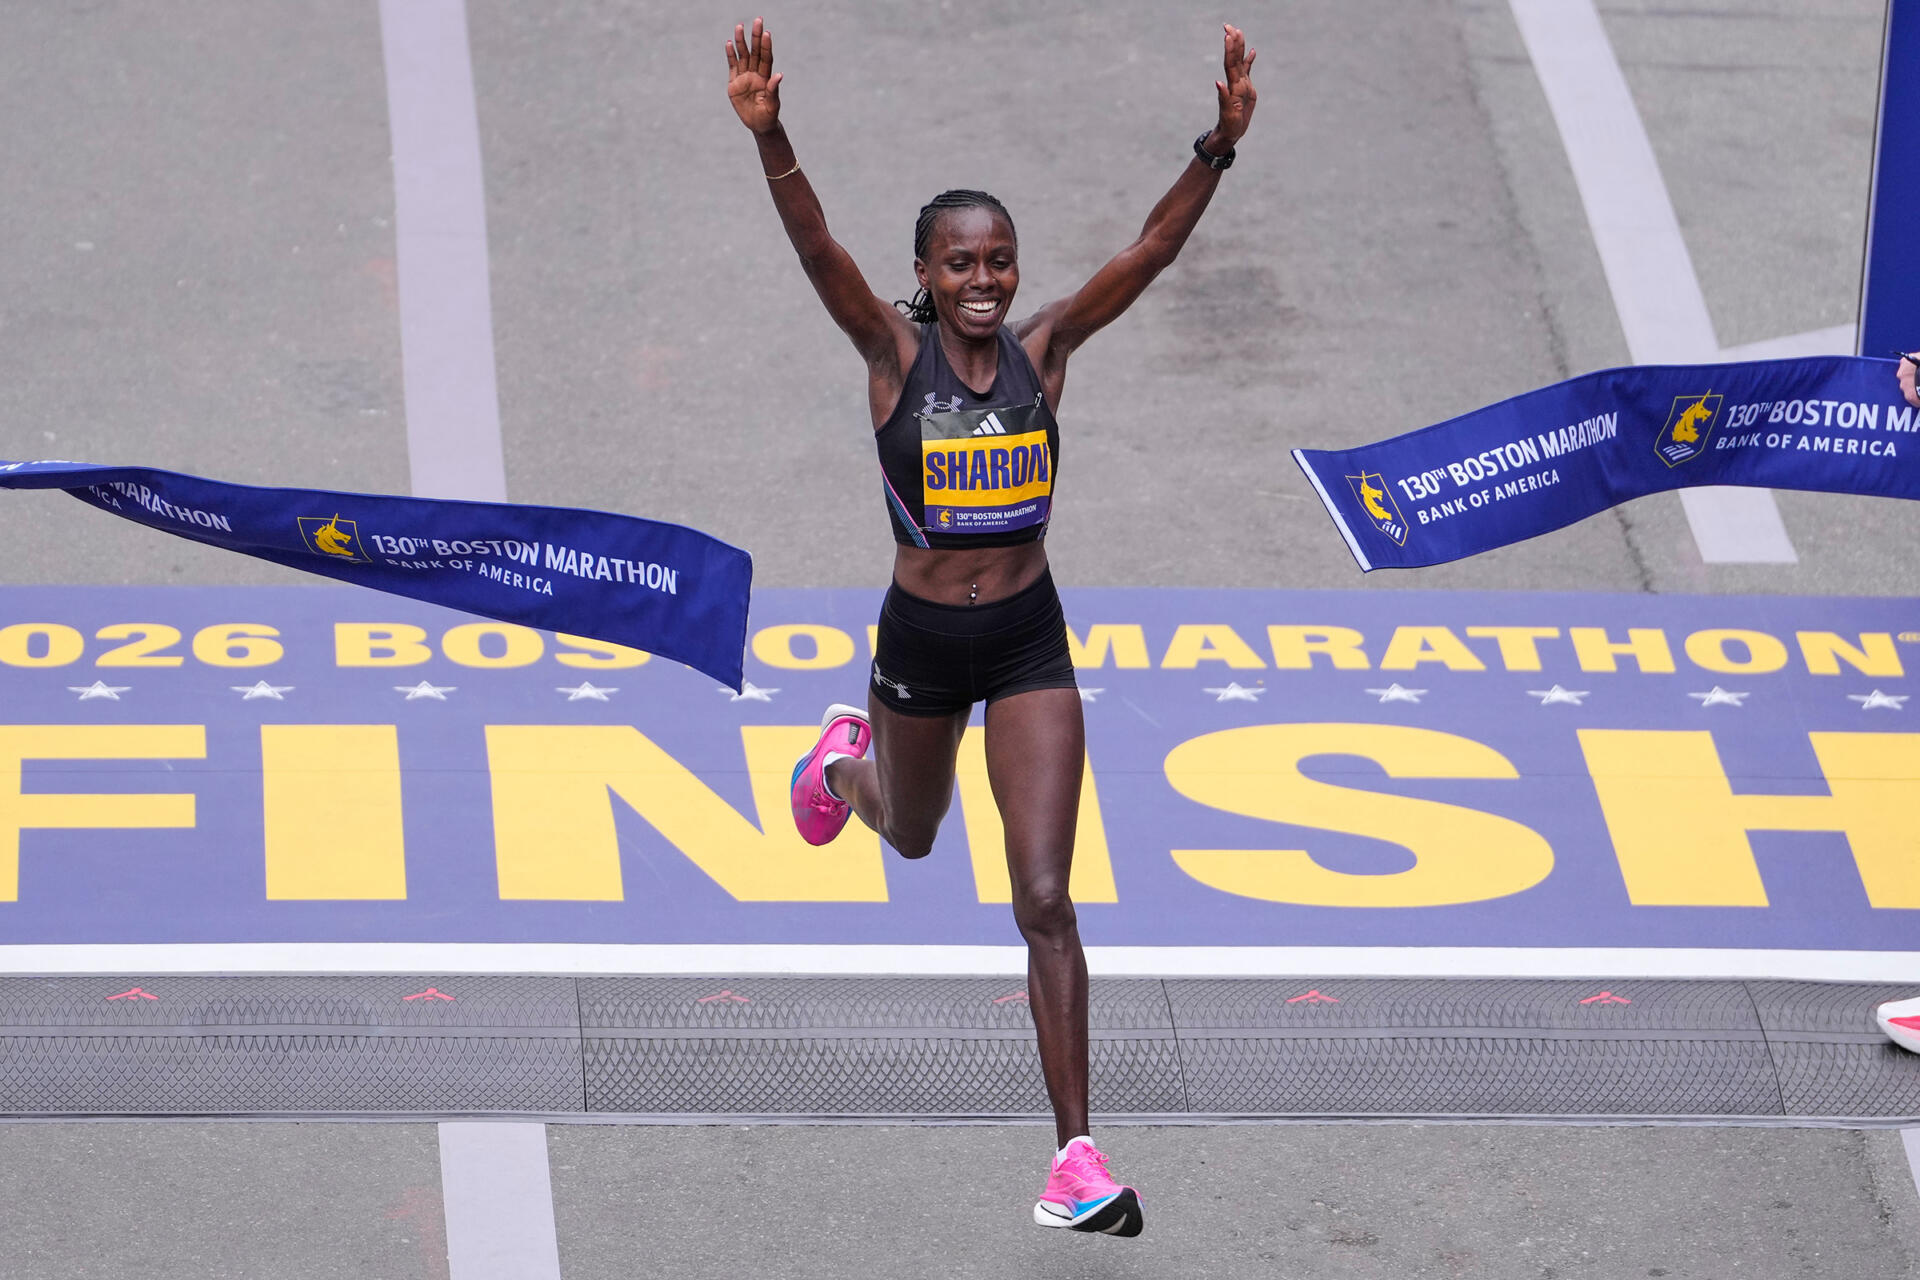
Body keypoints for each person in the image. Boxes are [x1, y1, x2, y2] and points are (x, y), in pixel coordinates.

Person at [726, 15, 1255, 1237]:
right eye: (961, 264)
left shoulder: (1046, 350)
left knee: (1047, 892)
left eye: (999, 261)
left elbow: (1154, 248)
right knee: (909, 836)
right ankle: (841, 761)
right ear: (926, 272)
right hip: (918, 649)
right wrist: (774, 137)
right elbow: (818, 250)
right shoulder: (888, 351)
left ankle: (1075, 1153)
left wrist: (1218, 147)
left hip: (1027, 643)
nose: (984, 281)